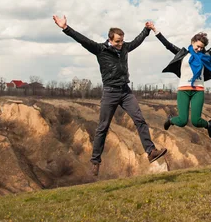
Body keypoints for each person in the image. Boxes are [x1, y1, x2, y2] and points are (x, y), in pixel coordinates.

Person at [53, 15, 167, 176]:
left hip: (125, 91)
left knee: (139, 119)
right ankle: (95, 161)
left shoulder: (125, 48)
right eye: (117, 41)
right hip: (110, 92)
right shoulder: (100, 49)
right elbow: (83, 40)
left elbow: (137, 41)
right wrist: (66, 28)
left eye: (122, 41)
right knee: (103, 127)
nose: (121, 44)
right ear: (110, 40)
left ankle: (151, 151)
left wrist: (146, 30)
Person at [146, 21, 211, 138]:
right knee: (182, 121)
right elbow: (168, 45)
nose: (199, 49)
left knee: (196, 121)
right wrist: (155, 30)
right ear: (192, 43)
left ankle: (208, 124)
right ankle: (171, 120)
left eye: (201, 47)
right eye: (197, 46)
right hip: (183, 90)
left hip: (198, 90)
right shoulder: (183, 54)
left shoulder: (205, 56)